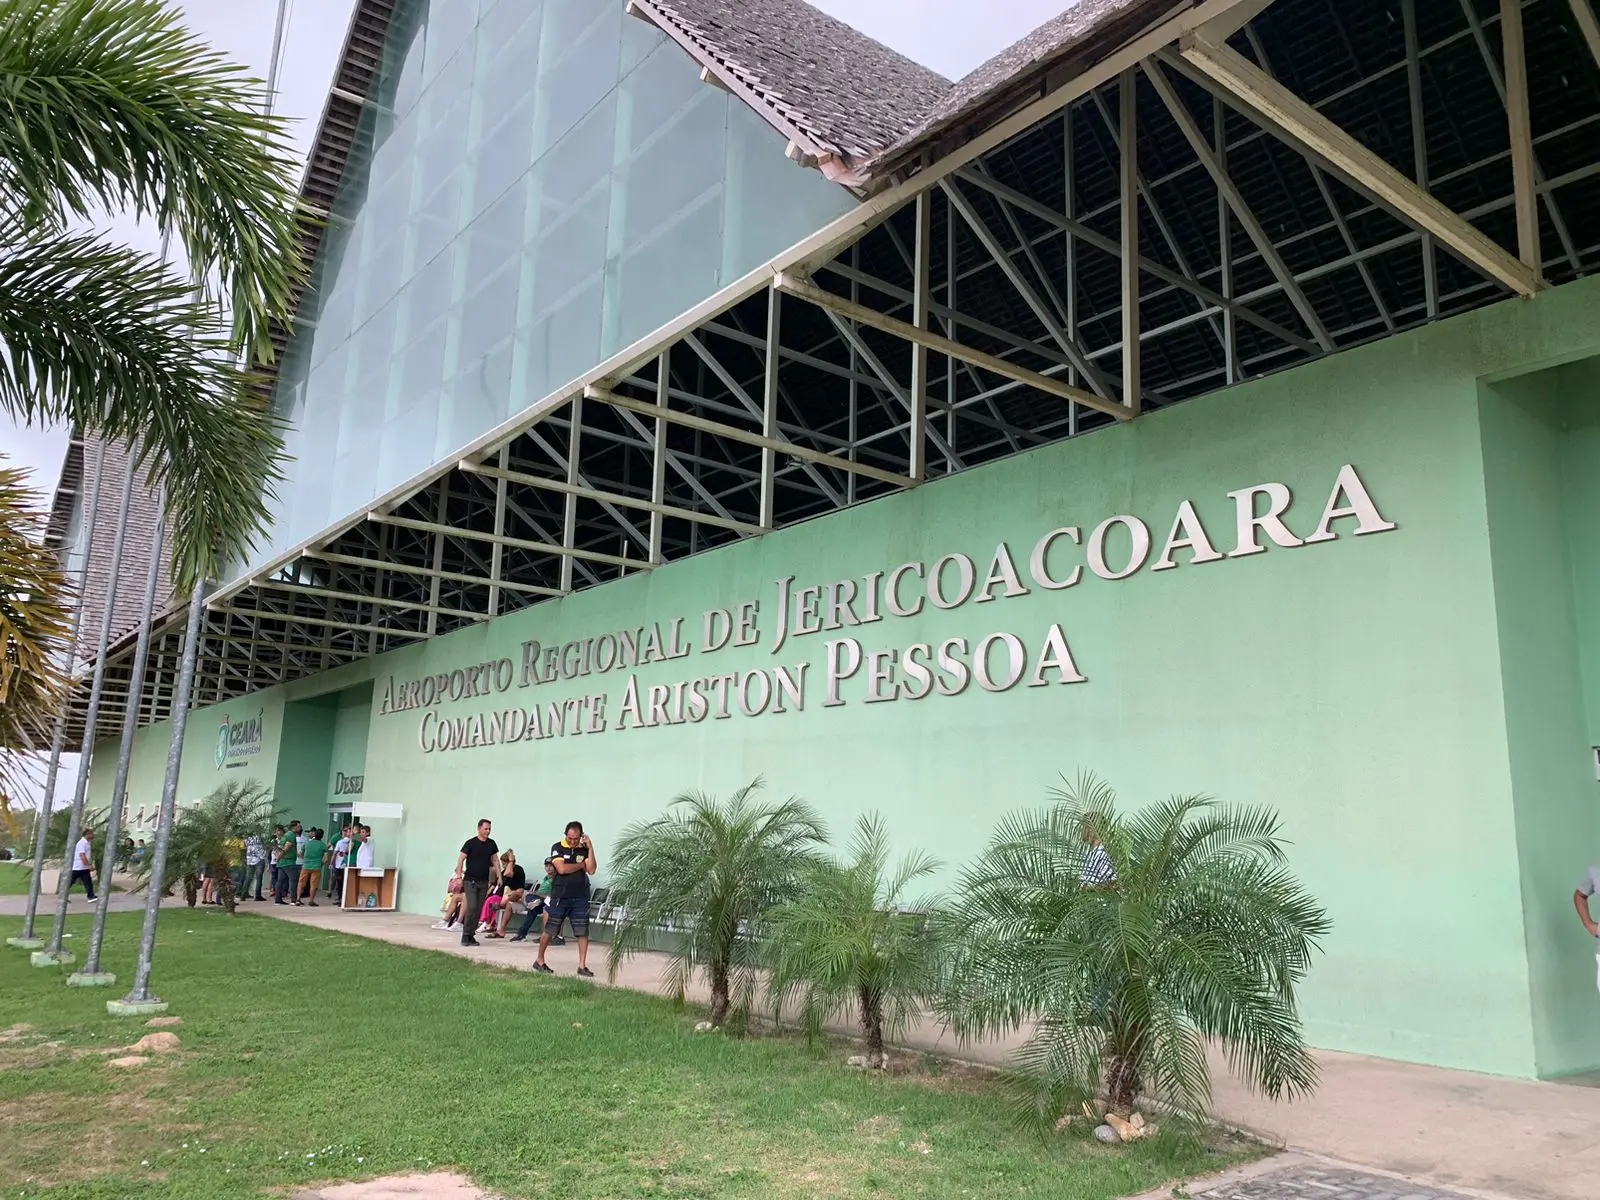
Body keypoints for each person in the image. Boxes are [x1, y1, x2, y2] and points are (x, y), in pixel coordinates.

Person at [533, 821, 595, 977]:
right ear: (565, 835)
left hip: (580, 896)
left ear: (581, 836)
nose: (573, 841)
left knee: (582, 931)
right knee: (550, 929)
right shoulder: (558, 847)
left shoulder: (584, 849)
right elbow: (561, 869)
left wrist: (591, 848)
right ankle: (539, 960)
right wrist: (580, 866)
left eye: (576, 838)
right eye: (570, 838)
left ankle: (582, 965)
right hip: (560, 896)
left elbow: (592, 869)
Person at [454, 818, 500, 947]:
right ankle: (465, 934)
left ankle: (471, 935)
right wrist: (458, 876)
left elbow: (495, 861)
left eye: (489, 829)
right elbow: (461, 859)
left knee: (478, 909)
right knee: (472, 906)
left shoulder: (491, 844)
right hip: (470, 880)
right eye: (485, 829)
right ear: (479, 829)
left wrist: (499, 876)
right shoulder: (471, 843)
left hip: (483, 881)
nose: (488, 831)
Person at [484, 849, 526, 938]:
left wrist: (510, 861)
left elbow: (508, 873)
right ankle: (495, 927)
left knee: (509, 897)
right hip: (507, 897)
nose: (503, 866)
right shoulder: (504, 871)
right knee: (501, 901)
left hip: (518, 897)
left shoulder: (518, 869)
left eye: (504, 863)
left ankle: (498, 908)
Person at [274, 820, 302, 905]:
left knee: (280, 881)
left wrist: (278, 856)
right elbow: (287, 846)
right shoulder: (291, 835)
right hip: (288, 862)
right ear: (294, 828)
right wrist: (279, 856)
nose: (300, 828)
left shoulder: (285, 836)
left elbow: (279, 847)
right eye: (299, 826)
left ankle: (278, 900)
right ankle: (293, 900)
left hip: (282, 862)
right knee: (294, 880)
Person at [299, 828, 327, 906]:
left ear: (314, 835)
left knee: (301, 883)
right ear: (322, 836)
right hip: (316, 867)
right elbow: (325, 859)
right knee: (313, 885)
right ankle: (311, 900)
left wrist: (305, 860)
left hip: (306, 865)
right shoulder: (323, 845)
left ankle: (298, 899)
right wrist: (321, 864)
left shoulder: (307, 843)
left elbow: (300, 853)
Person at [68, 826, 97, 901]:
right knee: (70, 881)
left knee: (88, 882)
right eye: (91, 834)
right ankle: (63, 895)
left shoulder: (87, 843)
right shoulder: (81, 843)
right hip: (78, 867)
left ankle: (91, 896)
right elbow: (82, 856)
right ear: (87, 834)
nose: (92, 836)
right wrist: (89, 865)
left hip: (83, 867)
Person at [330, 823, 353, 899]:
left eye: (347, 831)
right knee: (344, 882)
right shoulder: (353, 841)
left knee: (340, 882)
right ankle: (342, 898)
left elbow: (335, 853)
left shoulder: (340, 842)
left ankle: (341, 898)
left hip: (339, 865)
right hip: (346, 864)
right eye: (345, 830)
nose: (345, 832)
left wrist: (331, 863)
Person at [242, 834, 267, 901]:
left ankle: (243, 895)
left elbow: (244, 846)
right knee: (259, 878)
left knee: (248, 877)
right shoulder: (260, 835)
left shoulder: (246, 837)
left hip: (250, 859)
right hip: (259, 858)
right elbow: (266, 843)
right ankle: (258, 895)